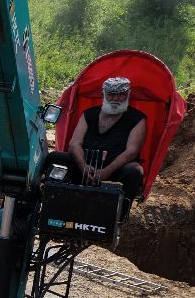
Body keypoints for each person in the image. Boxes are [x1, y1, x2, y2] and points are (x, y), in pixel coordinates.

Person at [44, 76, 148, 211]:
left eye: (121, 94)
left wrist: (105, 172)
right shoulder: (89, 114)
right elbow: (74, 144)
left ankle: (119, 214)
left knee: (134, 171)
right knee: (55, 158)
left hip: (114, 171)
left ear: (128, 95)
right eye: (111, 94)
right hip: (84, 168)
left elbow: (132, 151)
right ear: (103, 95)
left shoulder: (137, 119)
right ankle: (53, 204)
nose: (116, 99)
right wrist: (84, 167)